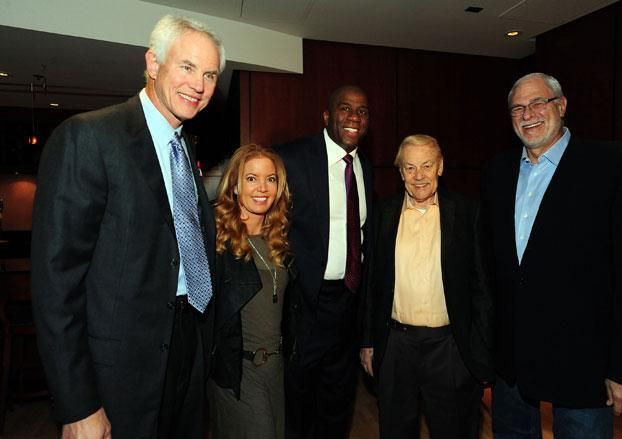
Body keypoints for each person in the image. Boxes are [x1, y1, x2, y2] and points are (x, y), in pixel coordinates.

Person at [30, 15, 224, 438]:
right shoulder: (89, 137)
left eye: (210, 74)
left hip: (187, 352)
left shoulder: (184, 149)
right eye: (187, 67)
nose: (200, 84)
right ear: (153, 64)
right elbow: (55, 285)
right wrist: (77, 404)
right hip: (117, 375)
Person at [481, 72, 622, 438]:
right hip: (511, 367)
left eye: (537, 103)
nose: (528, 113)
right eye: (517, 107)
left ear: (561, 106)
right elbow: (494, 270)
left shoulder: (615, 166)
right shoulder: (497, 171)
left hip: (583, 367)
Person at [360, 134, 493, 439]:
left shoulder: (466, 213)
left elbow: (482, 288)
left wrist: (478, 349)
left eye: (426, 165)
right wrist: (368, 340)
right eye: (409, 168)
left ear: (441, 167)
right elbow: (372, 284)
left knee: (454, 430)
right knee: (395, 429)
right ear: (400, 172)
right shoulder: (383, 215)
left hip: (449, 347)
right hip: (395, 346)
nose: (418, 176)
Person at [275, 85, 374, 438]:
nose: (354, 117)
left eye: (362, 112)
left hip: (347, 305)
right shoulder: (292, 159)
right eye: (345, 109)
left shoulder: (366, 167)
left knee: (338, 401)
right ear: (327, 116)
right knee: (298, 406)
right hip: (304, 306)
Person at [207, 144, 295, 439]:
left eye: (270, 179)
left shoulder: (279, 239)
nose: (262, 188)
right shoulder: (216, 238)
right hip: (238, 372)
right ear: (234, 185)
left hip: (275, 370)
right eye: (251, 178)